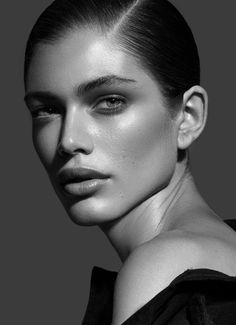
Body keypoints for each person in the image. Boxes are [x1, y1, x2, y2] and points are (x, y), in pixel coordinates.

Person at [24, 0, 236, 324]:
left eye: (110, 101)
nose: (68, 140)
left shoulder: (160, 267)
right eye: (47, 110)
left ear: (187, 118)